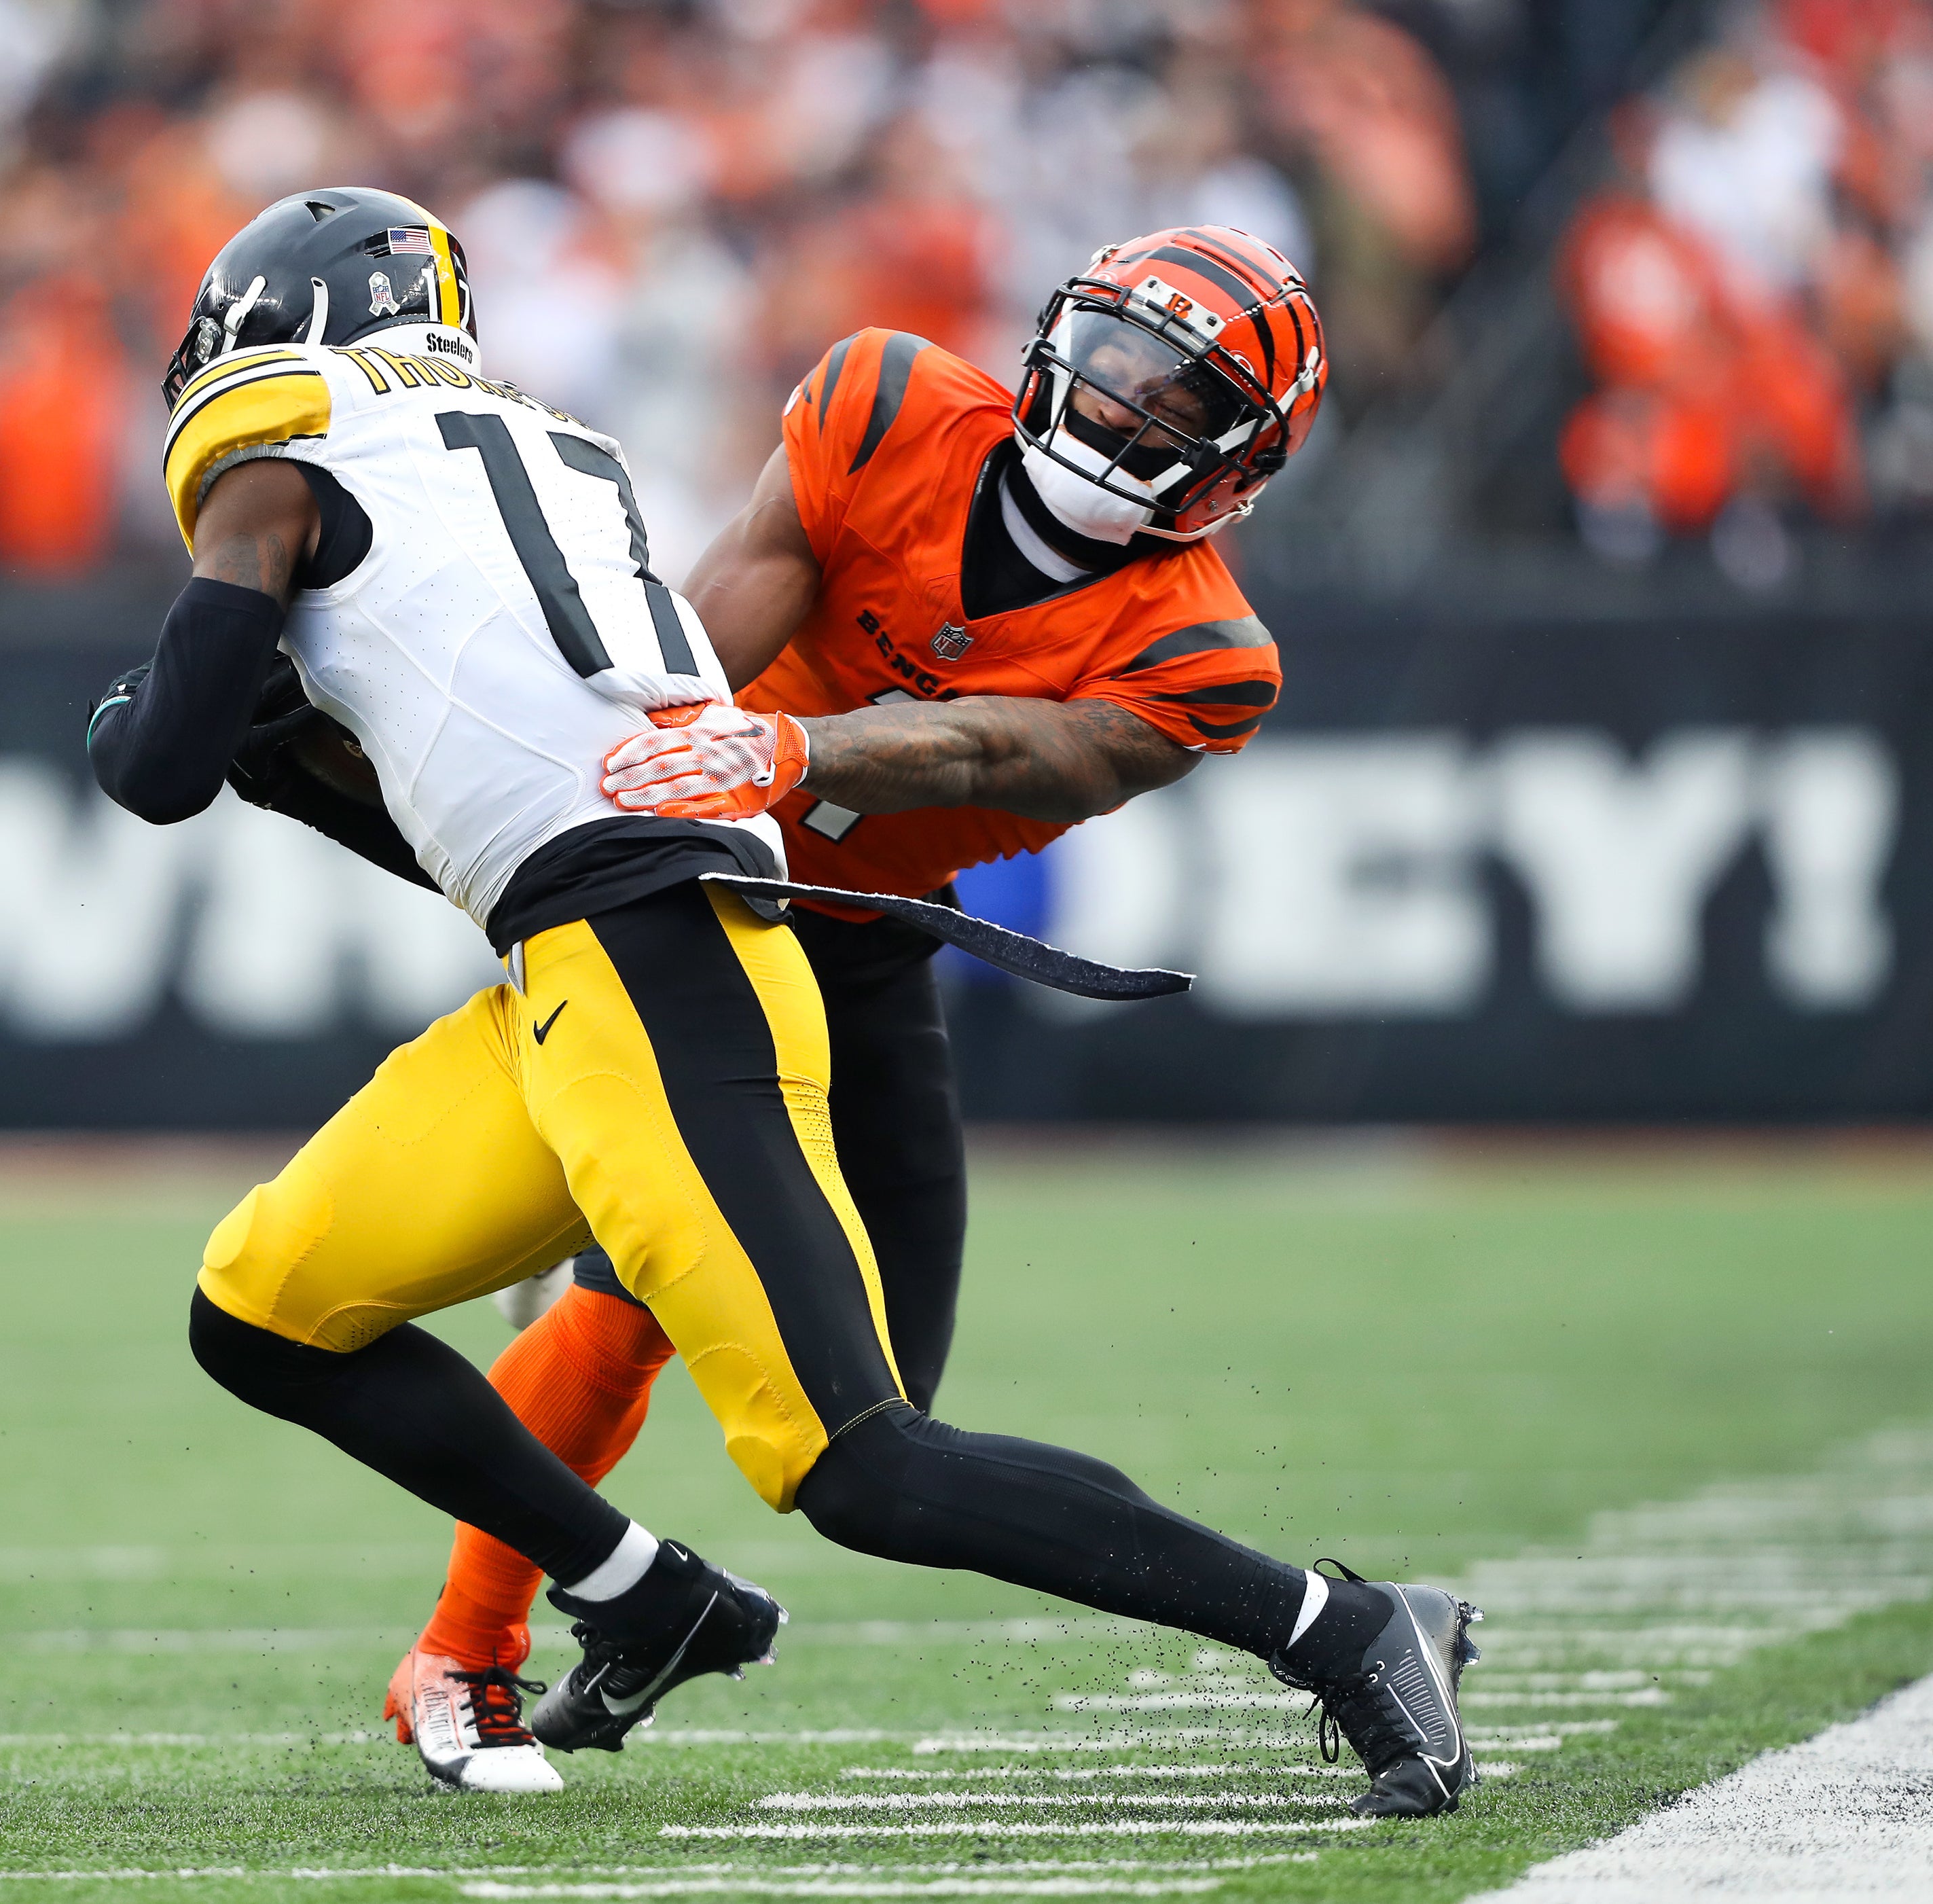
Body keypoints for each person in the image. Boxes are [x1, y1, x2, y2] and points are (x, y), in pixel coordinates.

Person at [92, 188, 1481, 1817]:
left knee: (876, 1446)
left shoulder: (1207, 652)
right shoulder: (882, 398)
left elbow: (1001, 747)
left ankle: (1341, 1624)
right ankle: (546, 1625)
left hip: (813, 931)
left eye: (1174, 401)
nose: (1117, 405)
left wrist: (791, 753)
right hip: (642, 907)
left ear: (1237, 463)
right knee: (302, 1305)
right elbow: (662, 663)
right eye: (1108, 360)